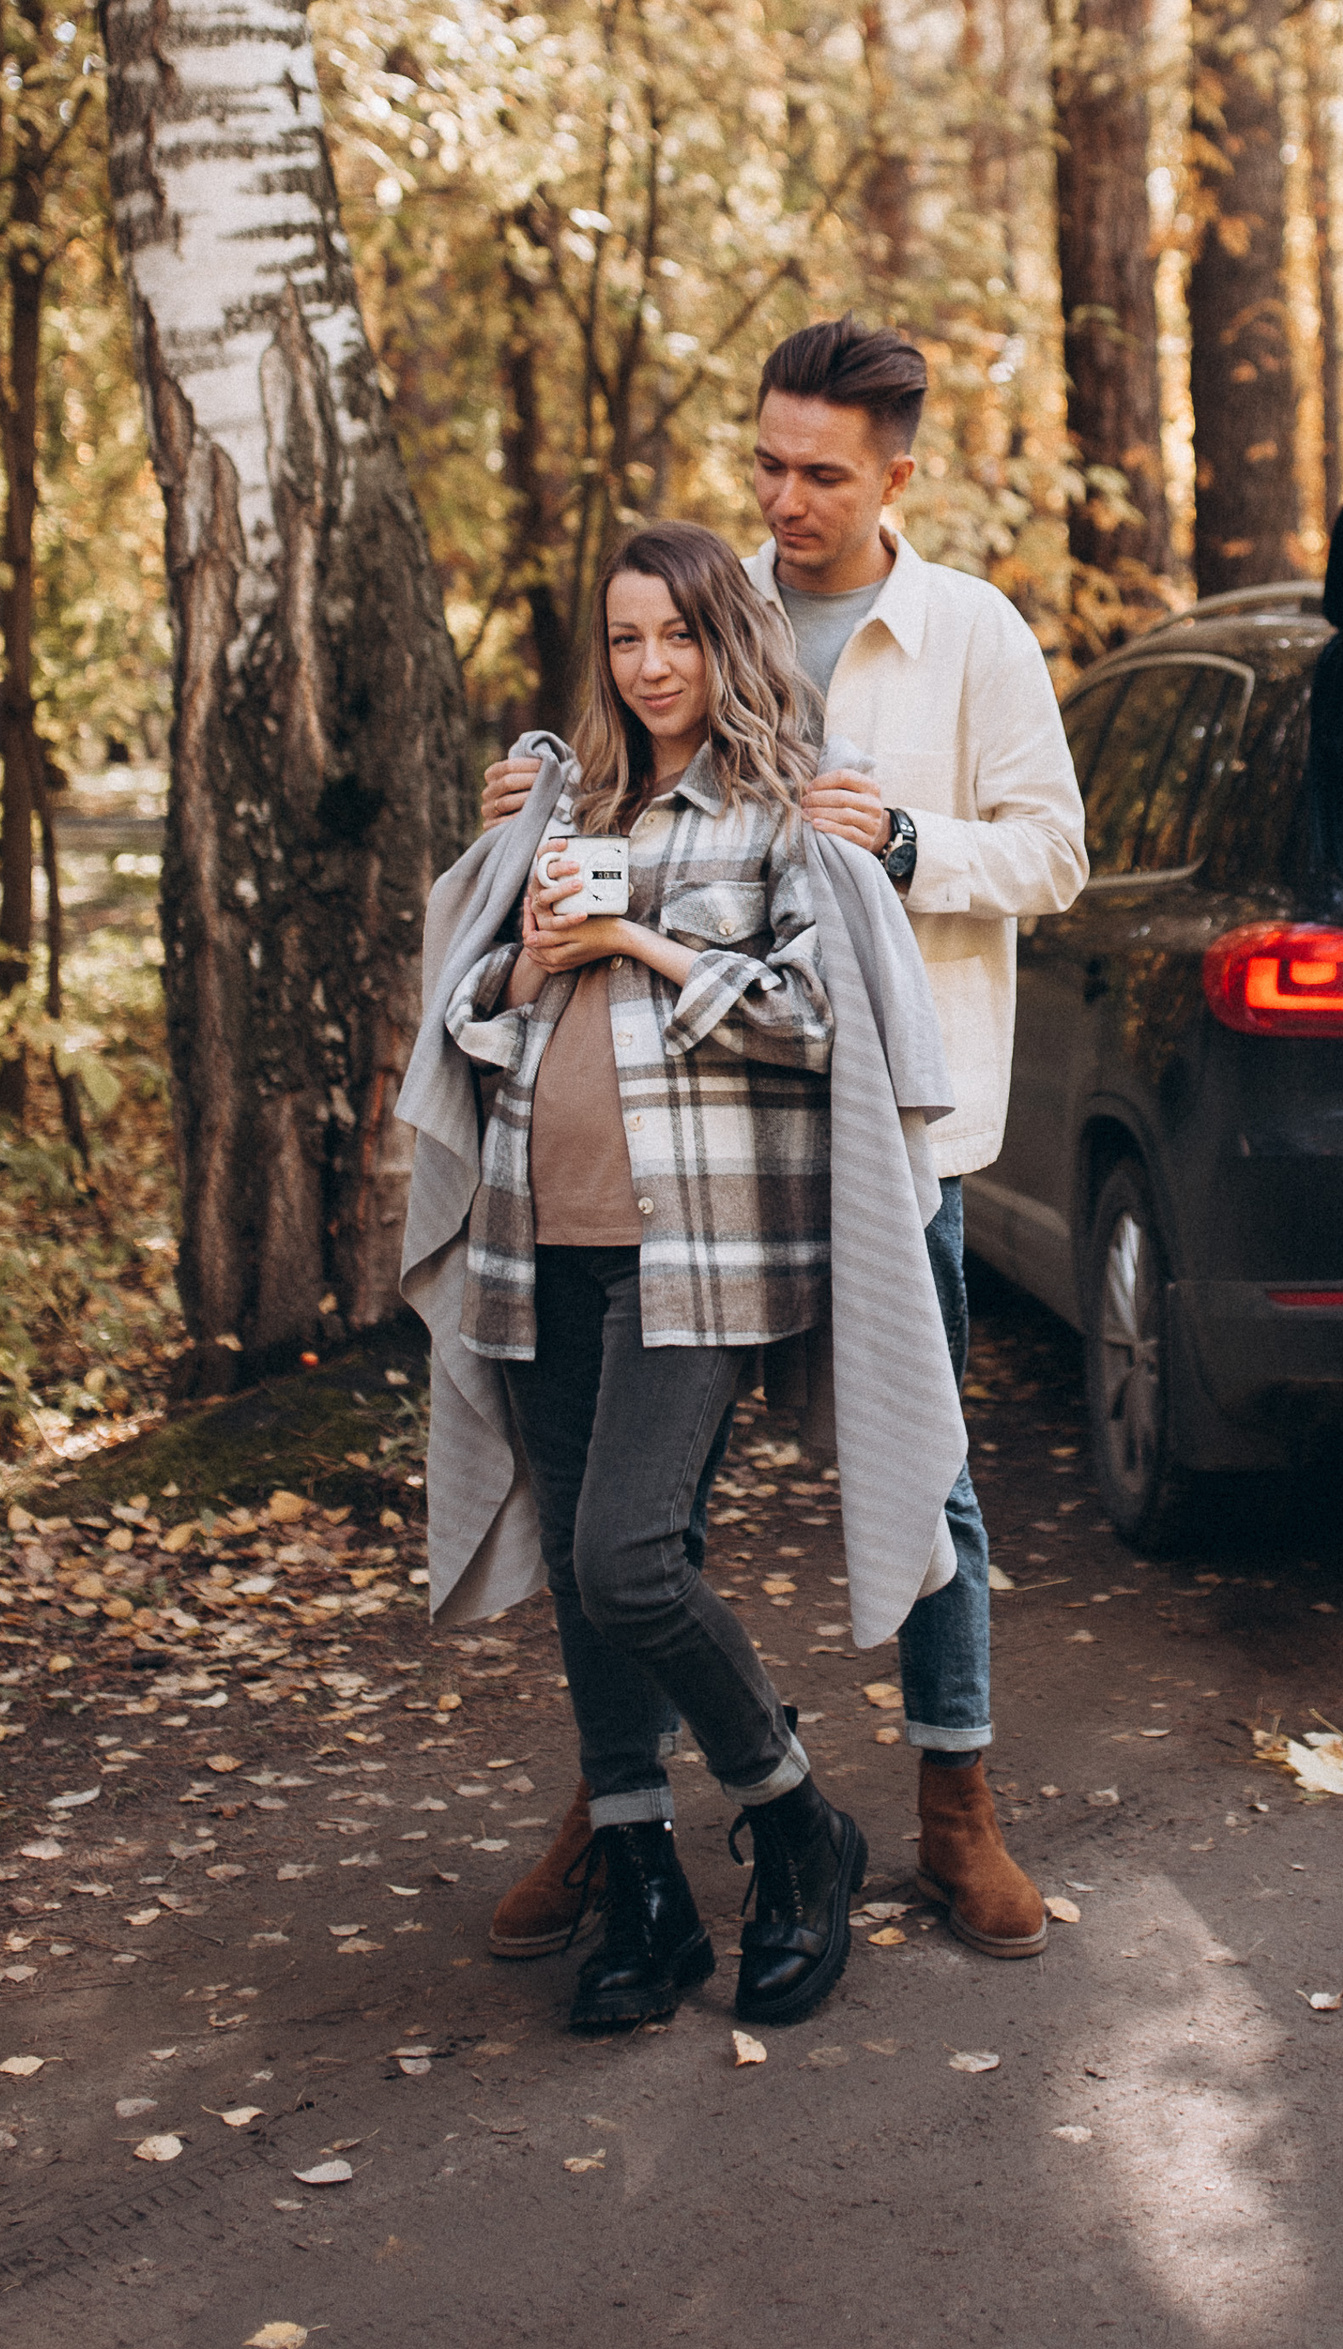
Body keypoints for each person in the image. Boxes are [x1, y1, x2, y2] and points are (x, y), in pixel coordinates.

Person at [481, 318, 1089, 1964]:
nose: (786, 494)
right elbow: (622, 761)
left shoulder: (969, 633)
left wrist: (903, 839)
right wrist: (534, 790)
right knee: (635, 1510)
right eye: (767, 460)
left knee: (929, 1478)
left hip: (903, 1129)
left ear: (901, 472)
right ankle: (619, 1810)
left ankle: (955, 1815)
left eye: (822, 470)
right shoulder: (705, 607)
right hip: (699, 1130)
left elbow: (1057, 854)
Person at [407, 519, 961, 2037]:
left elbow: (810, 1013)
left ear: (730, 638)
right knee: (592, 1594)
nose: (652, 667)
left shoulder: (785, 807)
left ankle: (795, 1820)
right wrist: (527, 955)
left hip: (701, 1245)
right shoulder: (564, 802)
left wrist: (640, 940)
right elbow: (476, 1015)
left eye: (679, 636)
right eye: (626, 639)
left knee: (629, 1557)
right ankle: (644, 1882)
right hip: (540, 1228)